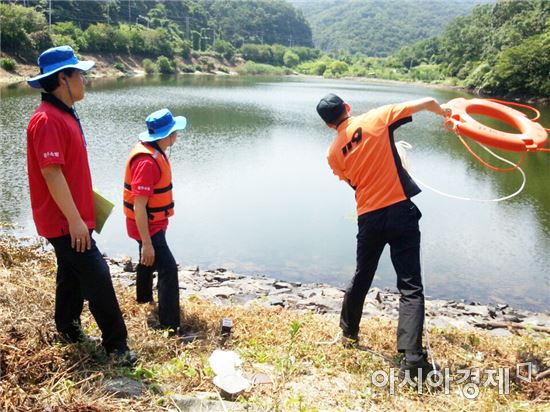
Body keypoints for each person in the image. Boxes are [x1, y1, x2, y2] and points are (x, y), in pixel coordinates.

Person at [316, 93, 450, 377]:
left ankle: (349, 334)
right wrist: (446, 114)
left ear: (328, 125)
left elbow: (353, 182)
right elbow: (427, 101)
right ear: (348, 108)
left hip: (369, 217)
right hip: (401, 212)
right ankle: (413, 358)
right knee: (410, 285)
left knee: (362, 275)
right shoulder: (377, 117)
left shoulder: (332, 154)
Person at [26, 45, 136, 364]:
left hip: (73, 215)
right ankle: (117, 346)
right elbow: (51, 173)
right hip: (64, 220)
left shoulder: (63, 114)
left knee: (71, 274)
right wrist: (75, 220)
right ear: (63, 78)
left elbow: (67, 170)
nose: (85, 81)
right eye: (80, 75)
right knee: (97, 275)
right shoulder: (46, 119)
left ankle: (68, 329)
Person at [123, 109, 187, 335]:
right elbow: (139, 205)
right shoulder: (147, 162)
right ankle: (170, 324)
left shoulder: (155, 152)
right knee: (168, 269)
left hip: (152, 223)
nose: (176, 136)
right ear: (164, 135)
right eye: (174, 132)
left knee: (147, 259)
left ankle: (143, 299)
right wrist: (147, 241)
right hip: (147, 226)